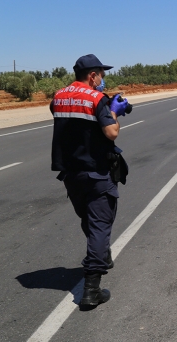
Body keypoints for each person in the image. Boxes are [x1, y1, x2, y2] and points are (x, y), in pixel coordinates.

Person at [50, 54, 129, 306]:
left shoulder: (59, 97)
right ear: (92, 75)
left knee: (89, 219)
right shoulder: (97, 98)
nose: (102, 80)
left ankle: (102, 256)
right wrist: (114, 111)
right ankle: (91, 289)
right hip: (96, 172)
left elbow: (65, 117)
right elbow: (111, 133)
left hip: (71, 175)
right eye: (101, 75)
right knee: (100, 225)